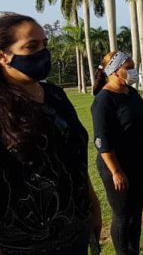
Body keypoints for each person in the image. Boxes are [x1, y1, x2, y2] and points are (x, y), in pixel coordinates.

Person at [0, 13, 101, 254]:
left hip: (73, 234)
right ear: (3, 56)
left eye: (44, 44)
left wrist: (93, 205)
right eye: (31, 46)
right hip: (21, 244)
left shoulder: (55, 96)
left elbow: (74, 158)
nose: (42, 53)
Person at [91, 51, 143, 255]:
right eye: (128, 67)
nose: (133, 71)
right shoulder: (104, 100)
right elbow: (102, 140)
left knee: (135, 214)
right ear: (114, 71)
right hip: (117, 166)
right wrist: (116, 171)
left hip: (139, 163)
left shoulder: (132, 94)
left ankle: (133, 251)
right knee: (123, 215)